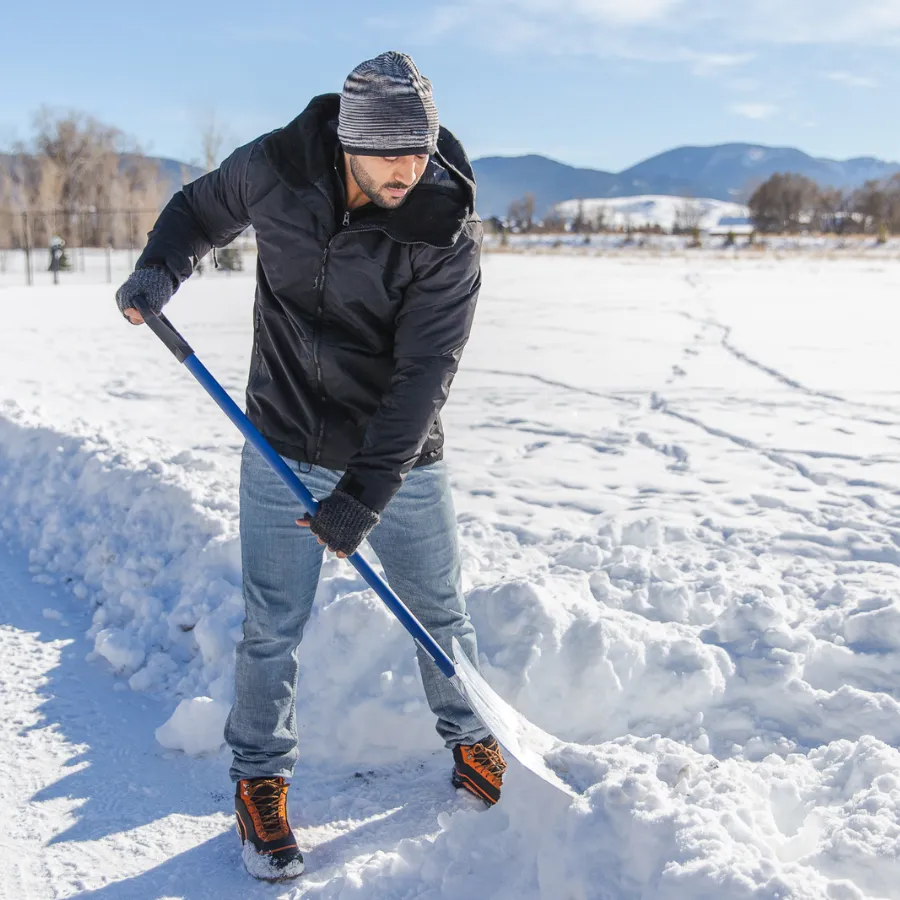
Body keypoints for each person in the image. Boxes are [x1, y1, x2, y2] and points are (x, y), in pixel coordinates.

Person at [115, 51, 506, 882]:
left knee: (439, 614)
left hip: (397, 459)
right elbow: (197, 207)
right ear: (346, 142)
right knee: (271, 625)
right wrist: (163, 264)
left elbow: (421, 381)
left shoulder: (443, 235)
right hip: (280, 438)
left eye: (421, 149)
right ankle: (259, 778)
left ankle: (476, 740)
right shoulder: (276, 169)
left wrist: (363, 495)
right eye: (390, 151)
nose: (409, 167)